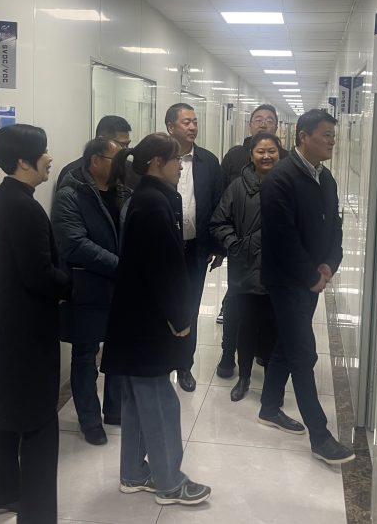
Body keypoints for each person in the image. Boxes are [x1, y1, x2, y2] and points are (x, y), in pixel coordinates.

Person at [100, 133, 211, 506]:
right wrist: (180, 317)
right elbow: (163, 269)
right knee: (161, 403)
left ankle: (134, 472)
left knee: (138, 400)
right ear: (157, 164)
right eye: (176, 160)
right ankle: (169, 482)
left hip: (135, 322)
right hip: (148, 324)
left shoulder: (149, 198)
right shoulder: (152, 204)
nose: (181, 167)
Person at [0, 124, 71, 523]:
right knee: (38, 425)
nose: (50, 158)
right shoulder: (23, 207)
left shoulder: (4, 197)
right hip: (24, 337)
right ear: (23, 161)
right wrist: (71, 284)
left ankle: (1, 494)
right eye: (43, 151)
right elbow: (39, 275)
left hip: (2, 331)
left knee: (4, 417)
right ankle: (38, 513)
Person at [259, 109, 355, 465]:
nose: (332, 141)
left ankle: (269, 407)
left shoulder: (325, 177)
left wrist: (331, 262)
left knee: (288, 344)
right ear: (303, 136)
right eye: (326, 134)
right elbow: (282, 238)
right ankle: (320, 436)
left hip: (312, 279)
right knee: (303, 354)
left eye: (333, 135)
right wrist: (310, 275)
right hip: (287, 282)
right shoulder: (280, 179)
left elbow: (334, 225)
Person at [52, 138, 131, 446]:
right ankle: (89, 420)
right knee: (85, 355)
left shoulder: (124, 192)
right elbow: (75, 245)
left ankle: (115, 410)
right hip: (87, 287)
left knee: (118, 350)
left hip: (119, 288)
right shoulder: (70, 194)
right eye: (116, 159)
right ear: (95, 161)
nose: (122, 165)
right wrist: (122, 266)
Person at [216, 104, 288, 379]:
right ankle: (228, 356)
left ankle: (263, 357)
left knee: (270, 313)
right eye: (258, 119)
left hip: (276, 259)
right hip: (243, 254)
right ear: (249, 126)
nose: (263, 123)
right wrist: (231, 246)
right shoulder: (234, 158)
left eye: (269, 120)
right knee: (236, 308)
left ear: (277, 127)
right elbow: (221, 204)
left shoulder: (288, 166)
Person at [165, 103, 224, 392]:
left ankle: (184, 365)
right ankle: (161, 360)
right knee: (162, 306)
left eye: (195, 122)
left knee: (190, 308)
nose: (192, 127)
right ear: (170, 128)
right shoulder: (158, 158)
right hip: (163, 250)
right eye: (186, 122)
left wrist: (218, 247)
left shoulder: (208, 161)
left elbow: (219, 204)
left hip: (195, 250)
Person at [56, 115, 140, 189]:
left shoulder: (133, 172)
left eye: (127, 144)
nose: (125, 150)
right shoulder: (71, 174)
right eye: (121, 144)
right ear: (101, 140)